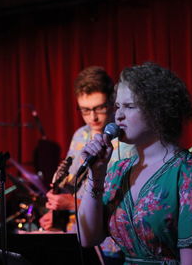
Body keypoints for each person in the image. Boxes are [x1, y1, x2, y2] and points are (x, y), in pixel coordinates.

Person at [78, 62, 192, 264]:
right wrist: (96, 176)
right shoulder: (119, 170)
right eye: (118, 106)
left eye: (130, 106)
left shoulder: (189, 173)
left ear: (158, 111)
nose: (118, 115)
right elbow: (87, 238)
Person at [39, 66, 135, 263]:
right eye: (85, 110)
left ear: (112, 101)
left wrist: (71, 204)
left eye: (99, 107)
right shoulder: (80, 135)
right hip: (76, 236)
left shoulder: (127, 141)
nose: (93, 117)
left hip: (111, 244)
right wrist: (55, 212)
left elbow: (125, 204)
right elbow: (73, 182)